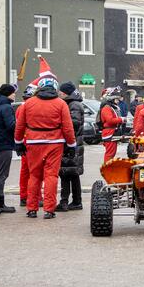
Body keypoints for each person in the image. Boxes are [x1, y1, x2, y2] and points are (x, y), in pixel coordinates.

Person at [14, 77, 76, 219]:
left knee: (34, 176)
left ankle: (32, 208)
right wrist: (71, 144)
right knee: (51, 176)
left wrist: (18, 142)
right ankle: (49, 209)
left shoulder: (28, 104)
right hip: (55, 143)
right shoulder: (61, 104)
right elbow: (67, 127)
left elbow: (20, 125)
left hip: (33, 142)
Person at [57, 82, 85, 212]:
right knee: (71, 173)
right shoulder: (73, 104)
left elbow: (74, 124)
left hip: (71, 144)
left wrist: (60, 125)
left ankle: (67, 201)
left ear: (65, 93)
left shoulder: (73, 105)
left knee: (67, 173)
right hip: (73, 143)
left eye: (60, 92)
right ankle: (74, 201)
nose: (58, 94)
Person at [0, 84, 17, 213]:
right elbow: (11, 125)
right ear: (8, 93)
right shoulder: (6, 107)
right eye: (13, 92)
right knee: (2, 174)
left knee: (0, 174)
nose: (14, 94)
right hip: (4, 144)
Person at [16, 82, 38, 206]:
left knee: (26, 171)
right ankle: (32, 197)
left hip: (26, 140)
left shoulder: (21, 107)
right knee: (34, 172)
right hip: (31, 141)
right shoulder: (28, 107)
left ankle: (24, 196)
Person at [99, 88, 125, 163]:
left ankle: (108, 168)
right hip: (109, 132)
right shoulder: (107, 108)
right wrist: (121, 119)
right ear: (112, 99)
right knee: (110, 153)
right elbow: (110, 121)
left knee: (112, 153)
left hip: (112, 132)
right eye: (116, 99)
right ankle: (107, 169)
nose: (118, 101)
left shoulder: (111, 107)